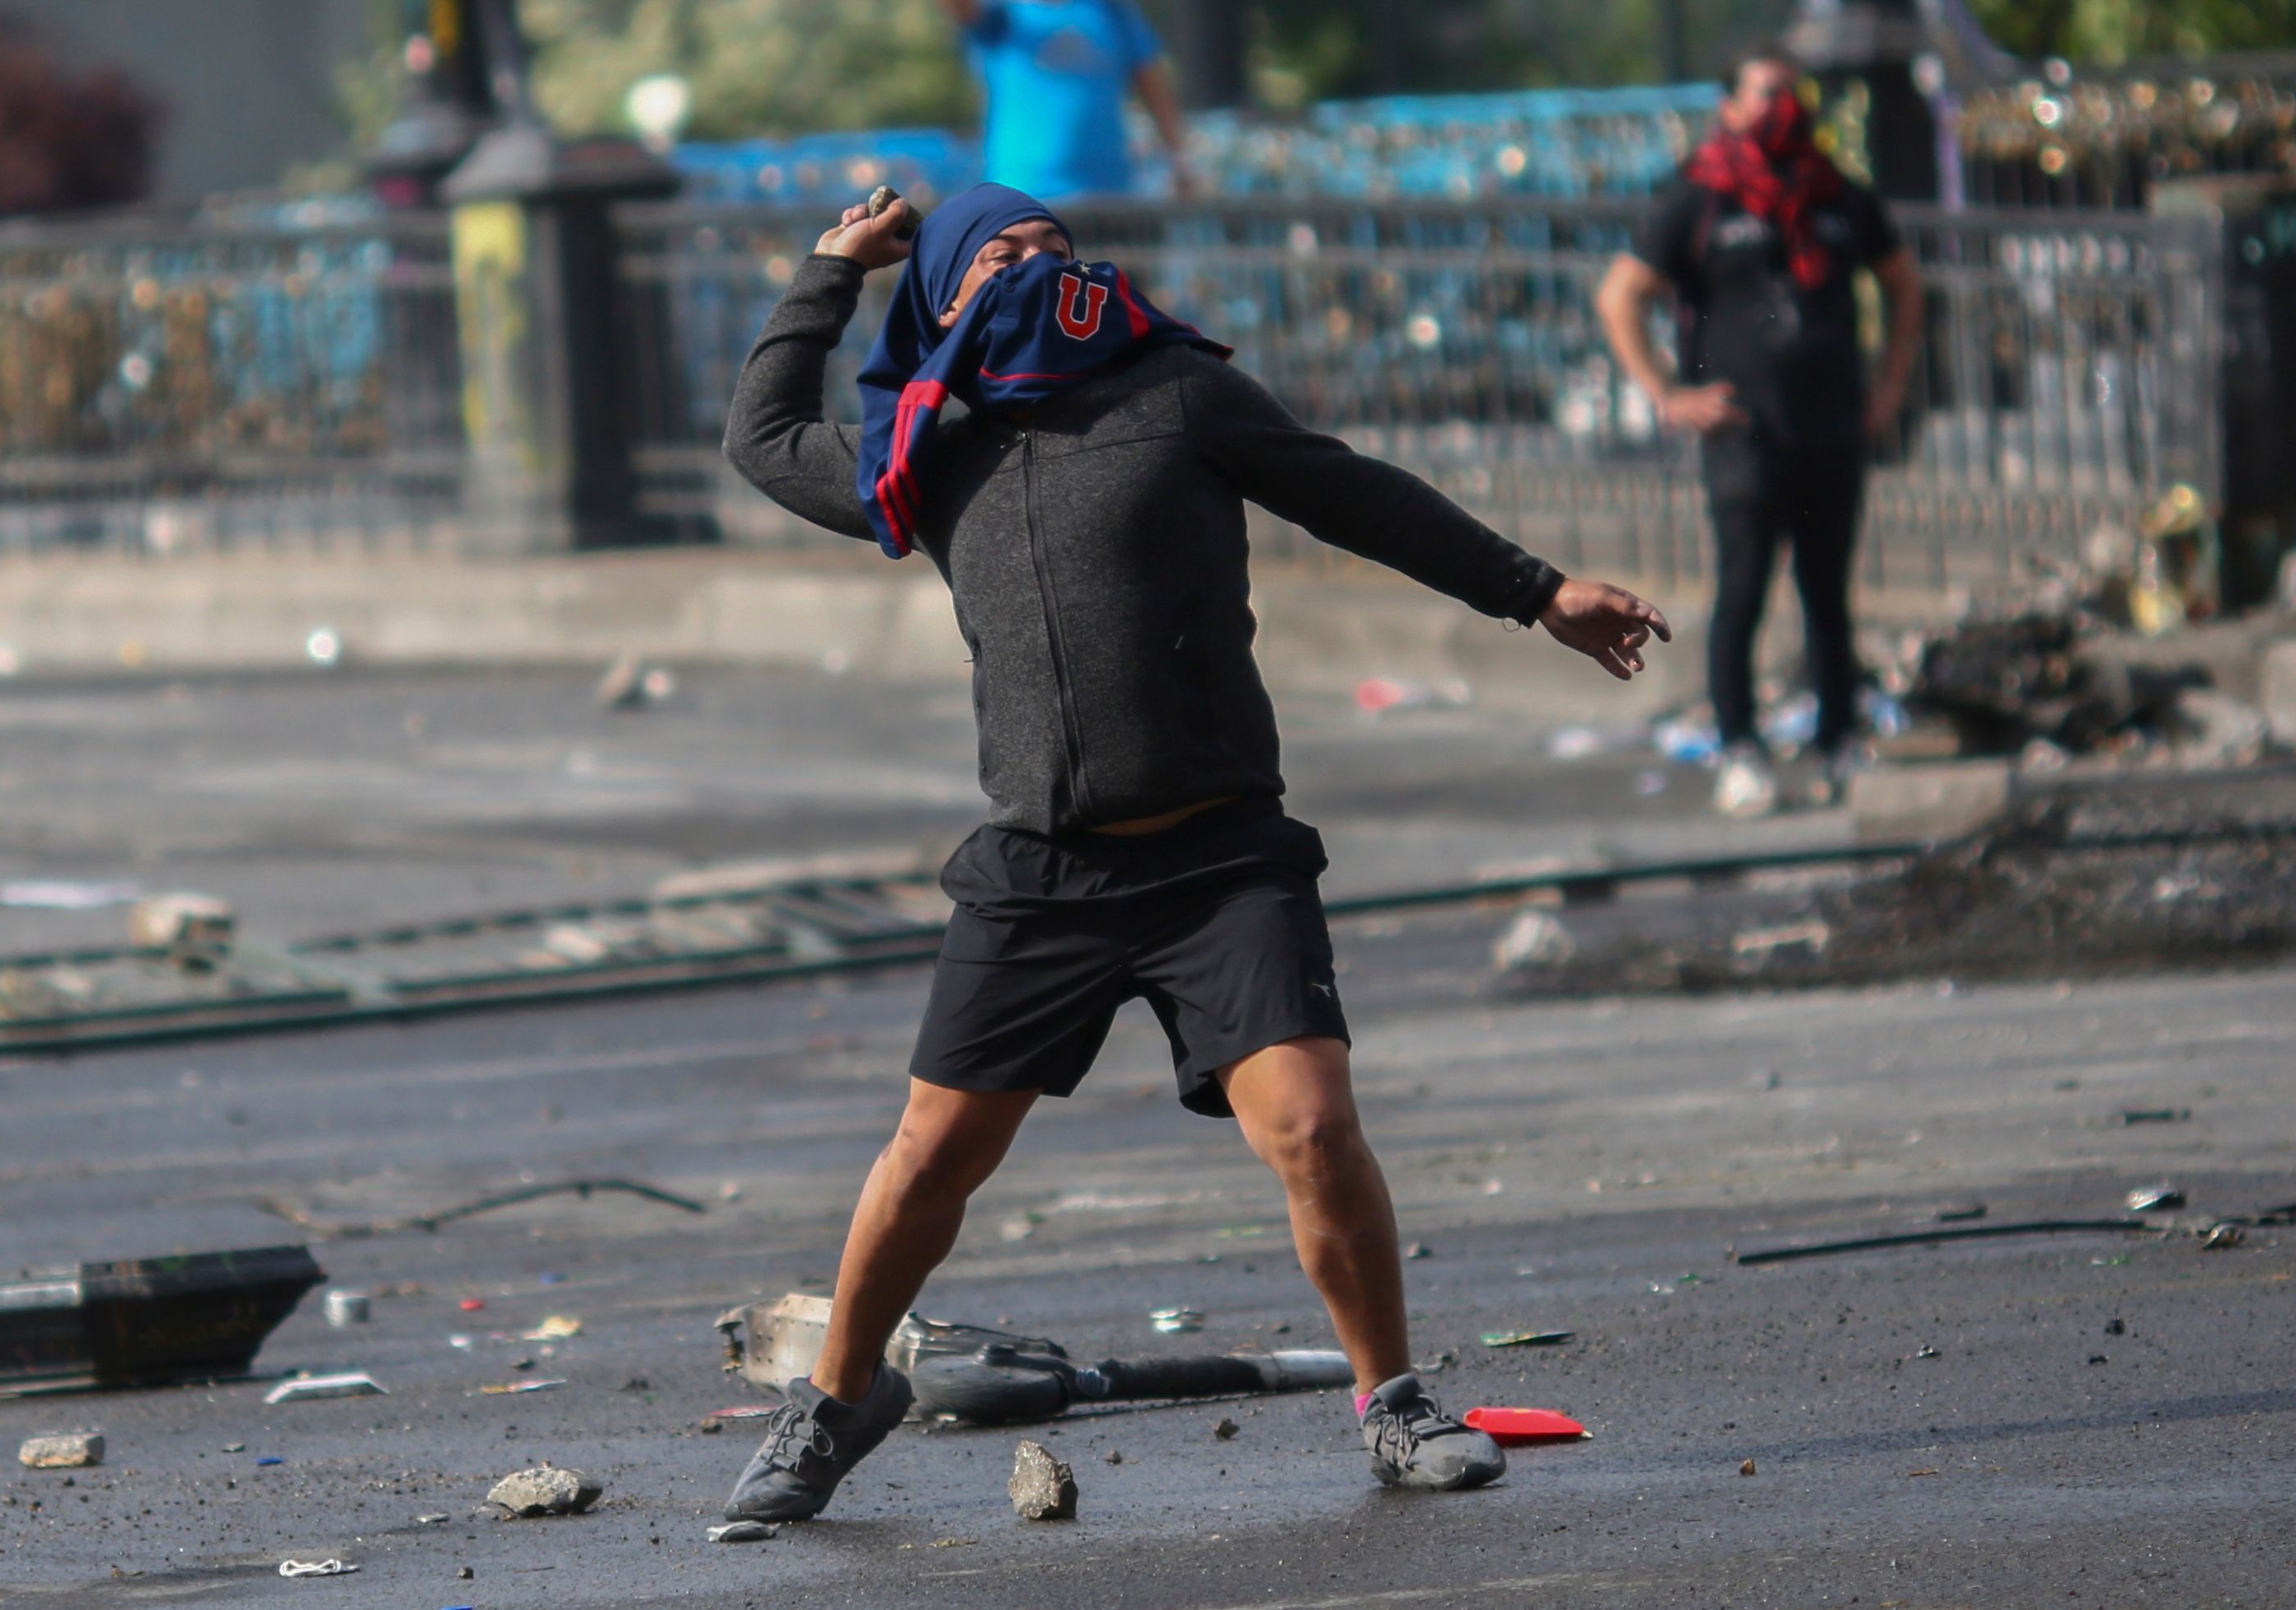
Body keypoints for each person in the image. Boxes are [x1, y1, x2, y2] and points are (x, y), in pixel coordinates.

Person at [718, 181, 1668, 1522]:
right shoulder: (921, 446)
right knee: (928, 1159)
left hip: (1220, 858)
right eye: (999, 252)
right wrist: (830, 270)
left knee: (1316, 1128)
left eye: (1054, 246)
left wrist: (1537, 592)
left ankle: (1390, 1400)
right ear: (937, 291)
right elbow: (759, 436)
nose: (1039, 264)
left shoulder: (1177, 390)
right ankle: (837, 1400)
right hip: (1042, 872)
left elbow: (1359, 497)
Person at [1595, 43, 1924, 817]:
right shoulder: (1700, 194)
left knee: (1827, 596)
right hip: (1745, 434)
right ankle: (1739, 746)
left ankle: (1838, 740)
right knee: (1742, 590)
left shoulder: (1834, 193)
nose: (1784, 108)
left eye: (1792, 93)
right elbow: (1620, 296)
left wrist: (1888, 387)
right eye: (1767, 93)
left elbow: (1904, 284)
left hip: (1831, 428)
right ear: (1730, 108)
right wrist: (1669, 395)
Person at [937, 0, 1193, 199]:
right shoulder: (1001, 14)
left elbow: (1152, 85)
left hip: (1110, 193)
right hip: (1024, 194)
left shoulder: (1111, 11)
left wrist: (1180, 160)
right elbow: (962, 11)